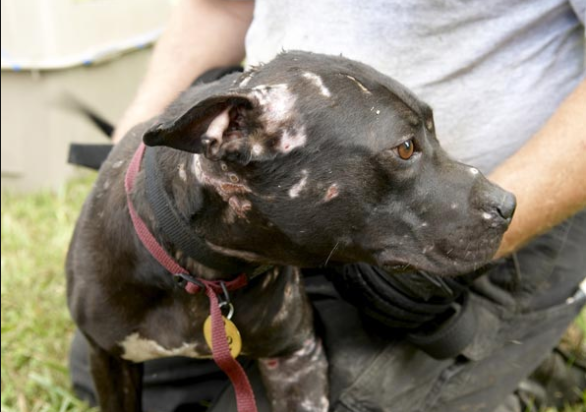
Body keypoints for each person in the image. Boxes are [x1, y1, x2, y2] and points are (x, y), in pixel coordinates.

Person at [71, 1, 586, 411]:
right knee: (106, 362)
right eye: (406, 149)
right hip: (284, 214)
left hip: (530, 200)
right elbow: (220, 7)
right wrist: (129, 151)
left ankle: (513, 363)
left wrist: (491, 230)